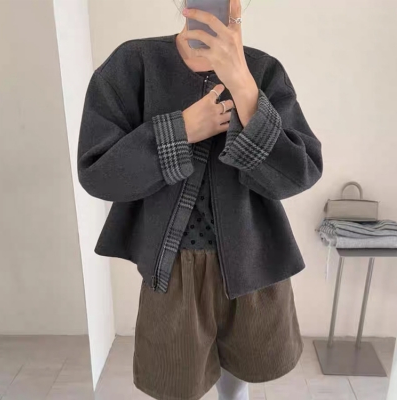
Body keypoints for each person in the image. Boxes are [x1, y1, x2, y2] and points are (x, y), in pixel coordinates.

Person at [77, 0, 323, 399]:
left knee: (237, 389)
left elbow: (300, 173)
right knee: (175, 384)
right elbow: (98, 173)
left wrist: (244, 87)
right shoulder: (133, 64)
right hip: (171, 270)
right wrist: (181, 130)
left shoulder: (263, 71)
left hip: (252, 266)